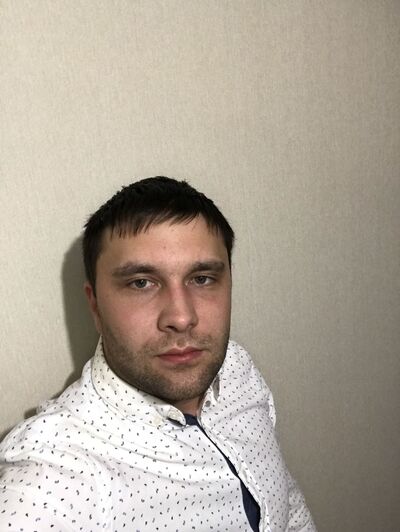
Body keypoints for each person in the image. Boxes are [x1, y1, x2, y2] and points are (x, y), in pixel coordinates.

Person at [0, 176, 316, 531]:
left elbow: (285, 503)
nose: (181, 317)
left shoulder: (236, 368)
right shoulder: (54, 478)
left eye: (202, 278)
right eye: (141, 283)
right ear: (95, 306)